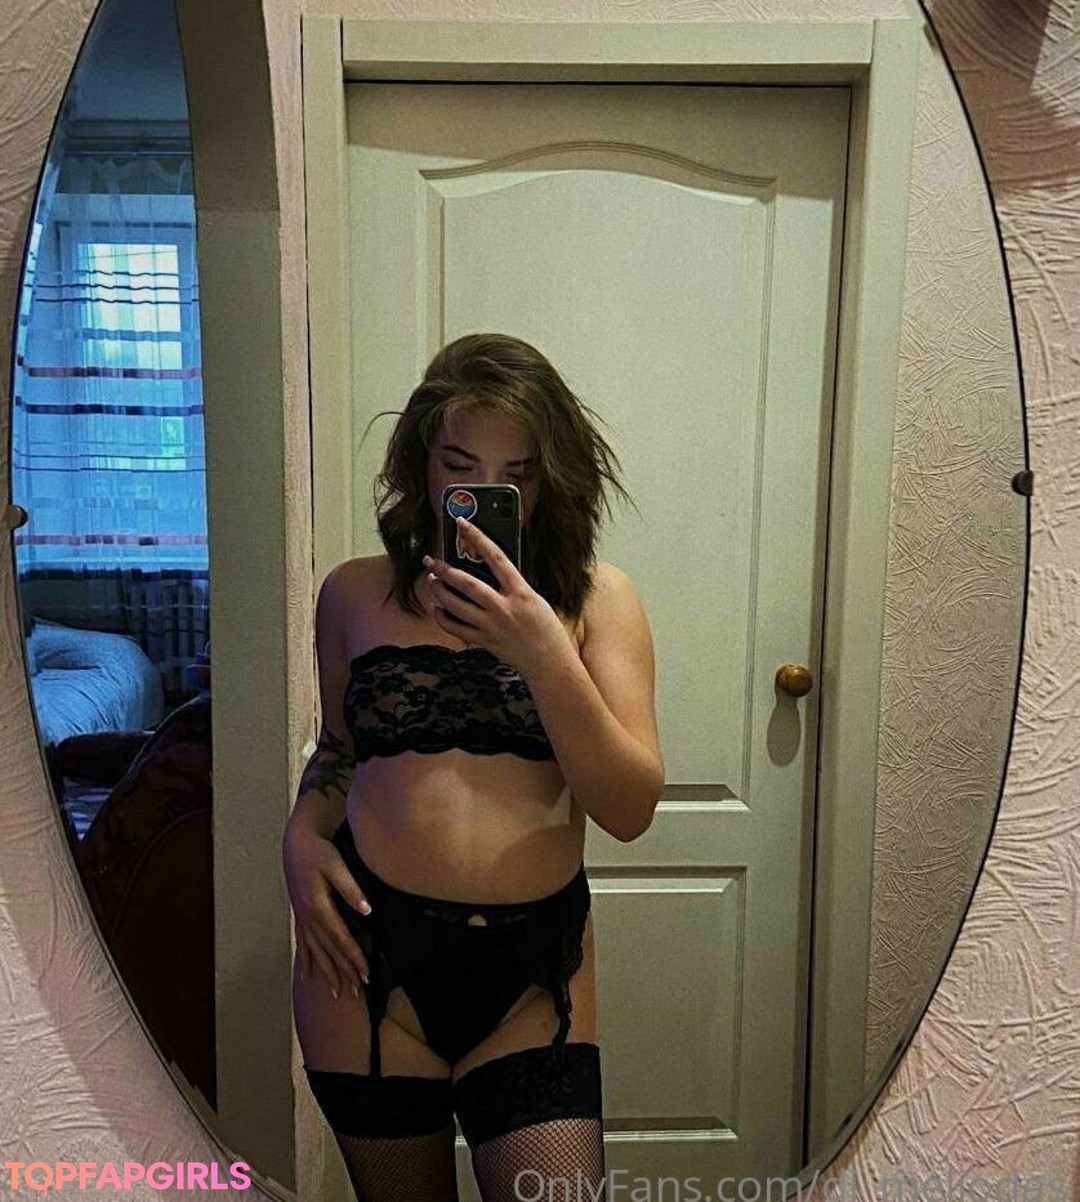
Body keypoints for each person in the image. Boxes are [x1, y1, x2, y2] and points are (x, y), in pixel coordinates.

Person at [283, 332, 664, 1202]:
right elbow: (341, 751)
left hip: (535, 979)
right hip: (365, 965)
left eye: (517, 474)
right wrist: (300, 839)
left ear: (550, 478)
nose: (487, 494)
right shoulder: (352, 594)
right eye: (461, 467)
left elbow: (630, 808)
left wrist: (543, 652)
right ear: (421, 463)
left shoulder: (600, 600)